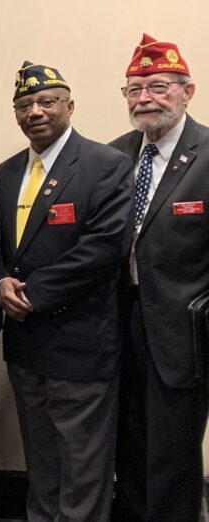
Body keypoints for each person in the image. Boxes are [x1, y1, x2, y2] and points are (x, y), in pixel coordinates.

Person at [0, 62, 132, 522]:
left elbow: (105, 246)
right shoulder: (8, 170)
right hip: (26, 344)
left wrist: (32, 293)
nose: (35, 111)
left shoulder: (106, 164)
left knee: (83, 464)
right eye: (24, 104)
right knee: (42, 458)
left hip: (81, 340)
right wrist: (0, 281)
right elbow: (1, 246)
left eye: (46, 101)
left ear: (70, 106)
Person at [108, 34, 209, 522]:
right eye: (134, 88)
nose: (145, 97)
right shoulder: (113, 155)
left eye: (158, 85)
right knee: (126, 439)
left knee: (173, 450)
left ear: (187, 92)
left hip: (183, 328)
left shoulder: (207, 152)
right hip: (116, 321)